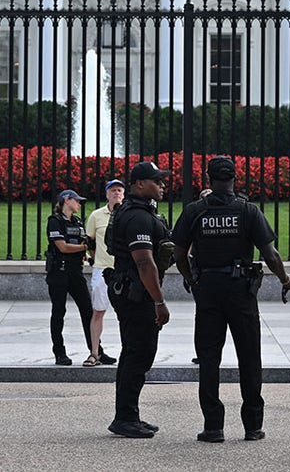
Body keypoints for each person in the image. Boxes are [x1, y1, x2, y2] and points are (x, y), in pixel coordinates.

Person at [172, 156, 290, 444]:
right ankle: (253, 425)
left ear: (208, 179)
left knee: (209, 359)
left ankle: (213, 426)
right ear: (234, 179)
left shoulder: (195, 211)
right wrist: (284, 279)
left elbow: (178, 254)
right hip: (241, 290)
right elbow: (270, 254)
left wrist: (192, 278)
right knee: (249, 356)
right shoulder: (247, 211)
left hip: (208, 290)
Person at [104, 160, 174, 439]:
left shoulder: (140, 212)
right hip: (136, 293)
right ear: (139, 184)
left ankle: (128, 415)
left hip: (131, 289)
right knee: (138, 353)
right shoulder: (138, 218)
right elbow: (145, 262)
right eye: (157, 181)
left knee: (135, 353)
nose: (162, 185)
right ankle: (125, 418)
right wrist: (159, 302)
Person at [45, 189, 95, 366]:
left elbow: (80, 245)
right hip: (58, 272)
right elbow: (63, 247)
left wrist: (89, 257)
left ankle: (96, 350)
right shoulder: (55, 221)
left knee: (88, 311)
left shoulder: (78, 222)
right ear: (66, 200)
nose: (79, 204)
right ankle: (59, 352)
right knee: (59, 312)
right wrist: (85, 248)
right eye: (77, 200)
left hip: (76, 272)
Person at [83, 179, 124, 367]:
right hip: (102, 268)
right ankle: (94, 352)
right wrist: (96, 258)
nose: (116, 193)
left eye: (119, 190)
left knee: (126, 313)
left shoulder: (129, 214)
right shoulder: (96, 215)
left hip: (123, 269)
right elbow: (89, 241)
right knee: (98, 311)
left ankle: (128, 352)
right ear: (107, 194)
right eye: (113, 190)